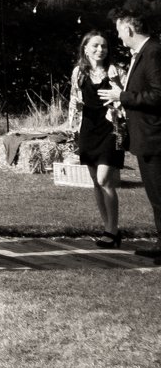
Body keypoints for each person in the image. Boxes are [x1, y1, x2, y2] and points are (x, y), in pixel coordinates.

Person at [100, 14, 161, 259]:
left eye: (119, 31)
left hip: (155, 136)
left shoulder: (154, 52)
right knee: (156, 195)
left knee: (159, 193)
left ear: (129, 29)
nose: (118, 36)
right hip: (146, 135)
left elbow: (158, 95)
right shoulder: (143, 53)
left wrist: (122, 97)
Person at [65, 29, 126, 247]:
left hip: (110, 129)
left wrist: (117, 91)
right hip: (88, 131)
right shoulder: (78, 72)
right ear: (85, 48)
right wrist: (71, 127)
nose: (100, 50)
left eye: (104, 46)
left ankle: (113, 229)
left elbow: (127, 99)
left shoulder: (116, 71)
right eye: (96, 46)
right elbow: (73, 99)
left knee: (104, 180)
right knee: (95, 183)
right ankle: (108, 228)